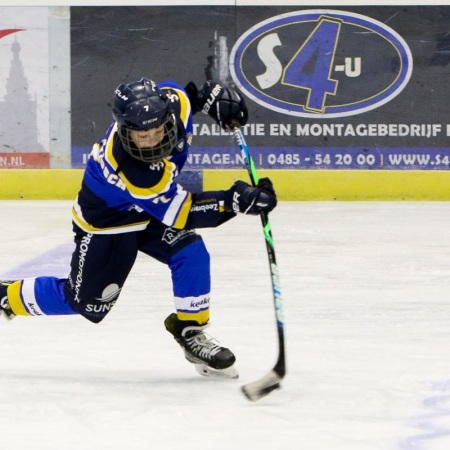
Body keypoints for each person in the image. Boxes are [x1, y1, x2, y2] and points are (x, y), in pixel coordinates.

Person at [0, 77, 277, 379]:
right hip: (107, 223)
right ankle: (8, 296)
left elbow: (184, 94)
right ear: (124, 129)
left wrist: (211, 99)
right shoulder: (133, 171)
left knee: (191, 252)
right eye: (142, 135)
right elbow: (183, 213)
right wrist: (234, 200)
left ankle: (190, 332)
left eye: (158, 131)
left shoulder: (173, 107)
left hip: (151, 210)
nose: (153, 141)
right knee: (87, 304)